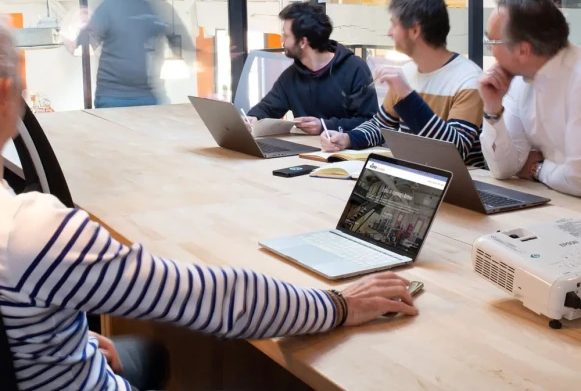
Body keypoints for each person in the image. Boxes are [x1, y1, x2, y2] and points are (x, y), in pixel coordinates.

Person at [0, 21, 418, 390]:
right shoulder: (33, 232)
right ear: (4, 92)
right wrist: (340, 305)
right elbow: (217, 299)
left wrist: (62, 336)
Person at [321, 0, 485, 168]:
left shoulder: (469, 80)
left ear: (414, 30)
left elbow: (455, 151)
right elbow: (381, 126)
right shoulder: (406, 72)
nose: (389, 33)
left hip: (462, 186)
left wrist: (407, 94)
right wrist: (347, 138)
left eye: (394, 24)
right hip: (414, 177)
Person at [479, 0, 581, 196]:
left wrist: (538, 169)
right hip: (556, 204)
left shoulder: (577, 79)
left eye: (492, 41)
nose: (490, 50)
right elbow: (504, 169)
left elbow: (577, 178)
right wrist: (492, 108)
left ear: (523, 50)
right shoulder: (520, 80)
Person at [65, 0, 195, 109]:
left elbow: (186, 49)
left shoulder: (162, 9)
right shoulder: (110, 6)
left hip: (151, 97)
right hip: (112, 98)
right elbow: (82, 47)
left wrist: (215, 56)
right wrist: (71, 35)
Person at [246, 2, 378, 135]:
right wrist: (253, 117)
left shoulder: (355, 68)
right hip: (306, 150)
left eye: (285, 35)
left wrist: (325, 126)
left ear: (303, 42)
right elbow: (268, 107)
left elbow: (370, 122)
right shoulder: (291, 75)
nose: (281, 40)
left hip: (346, 152)